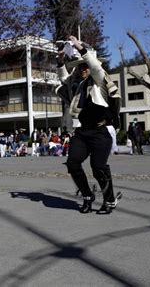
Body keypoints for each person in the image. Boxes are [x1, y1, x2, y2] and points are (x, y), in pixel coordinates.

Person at [55, 36, 121, 214]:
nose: (83, 69)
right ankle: (87, 195)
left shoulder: (99, 81)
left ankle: (109, 200)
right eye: (80, 66)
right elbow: (64, 79)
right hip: (83, 132)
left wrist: (80, 48)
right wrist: (61, 61)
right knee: (72, 163)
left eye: (85, 66)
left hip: (100, 131)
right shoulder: (78, 84)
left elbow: (95, 67)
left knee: (98, 167)